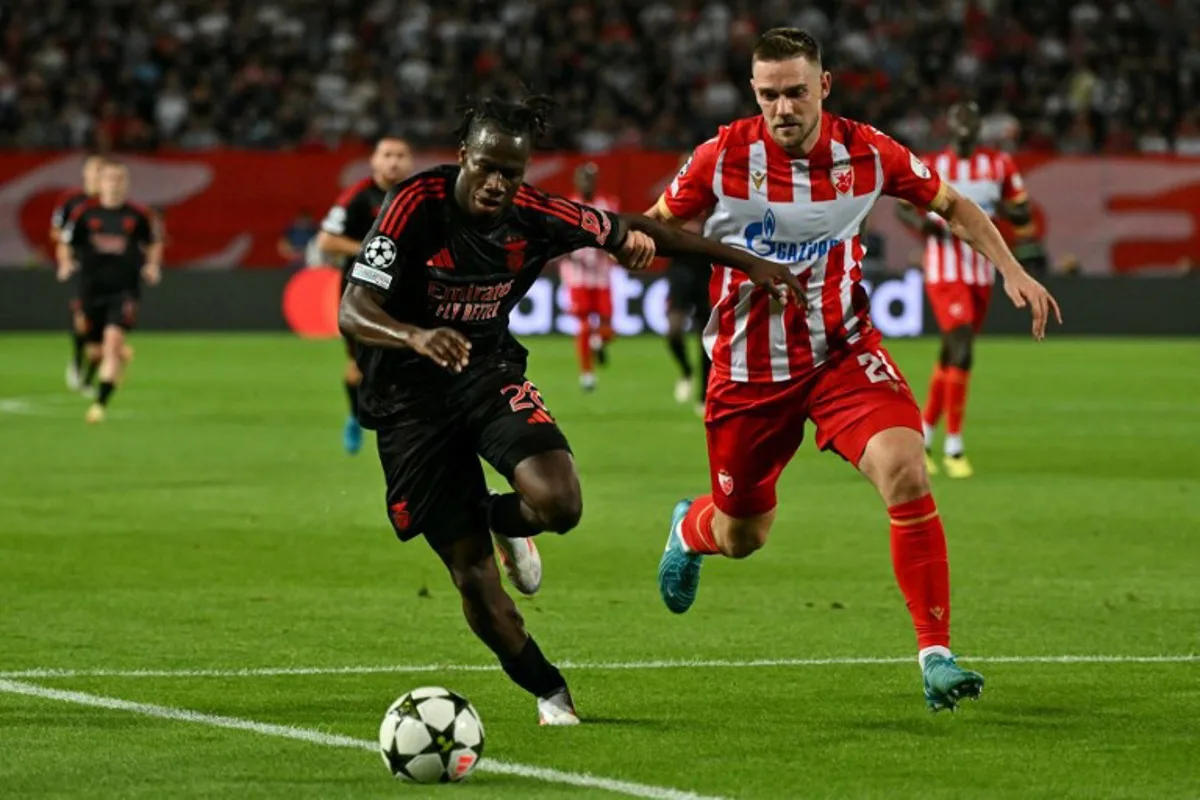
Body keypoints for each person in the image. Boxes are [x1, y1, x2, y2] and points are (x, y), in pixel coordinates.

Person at [338, 94, 800, 725]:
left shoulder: (534, 214)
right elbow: (353, 308)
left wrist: (747, 263)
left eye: (513, 172)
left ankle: (500, 520)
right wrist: (414, 336)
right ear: (462, 157)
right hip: (406, 401)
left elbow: (643, 228)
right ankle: (549, 689)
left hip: (486, 373)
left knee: (561, 503)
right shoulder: (416, 204)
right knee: (472, 576)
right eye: (487, 167)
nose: (499, 184)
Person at [645, 29, 1061, 712]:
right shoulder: (721, 157)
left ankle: (936, 655)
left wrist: (1010, 269)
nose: (784, 107)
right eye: (770, 93)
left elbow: (952, 205)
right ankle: (692, 526)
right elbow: (657, 223)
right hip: (748, 374)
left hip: (842, 351)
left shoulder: (866, 151)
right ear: (755, 92)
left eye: (796, 92)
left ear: (824, 86)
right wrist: (631, 242)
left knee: (906, 467)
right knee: (743, 535)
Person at [895, 102, 1046, 478]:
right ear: (950, 126)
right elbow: (901, 206)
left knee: (951, 354)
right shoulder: (932, 163)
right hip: (944, 270)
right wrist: (923, 225)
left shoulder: (999, 166)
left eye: (971, 120)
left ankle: (924, 438)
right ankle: (955, 448)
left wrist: (1005, 213)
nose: (965, 126)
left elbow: (1021, 211)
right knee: (962, 346)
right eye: (959, 119)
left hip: (982, 270)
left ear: (979, 127)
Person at [316, 136, 414, 454]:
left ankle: (409, 425)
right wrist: (372, 253)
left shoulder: (417, 198)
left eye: (400, 155)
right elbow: (327, 241)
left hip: (405, 293)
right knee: (359, 366)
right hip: (359, 296)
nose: (394, 162)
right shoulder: (358, 197)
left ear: (410, 162)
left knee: (411, 359)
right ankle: (354, 417)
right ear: (373, 161)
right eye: (387, 155)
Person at [56, 161, 162, 424]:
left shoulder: (138, 215)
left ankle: (100, 405)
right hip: (91, 289)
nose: (114, 185)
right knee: (95, 349)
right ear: (99, 184)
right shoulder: (83, 213)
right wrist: (65, 262)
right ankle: (89, 364)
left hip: (124, 290)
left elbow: (154, 242)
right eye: (109, 179)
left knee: (113, 343)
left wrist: (152, 265)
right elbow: (65, 242)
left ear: (126, 184)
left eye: (119, 180)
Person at [554, 163, 619, 391]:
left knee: (608, 325)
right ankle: (587, 374)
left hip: (602, 275)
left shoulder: (608, 205)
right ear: (576, 181)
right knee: (582, 324)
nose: (587, 183)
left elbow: (618, 237)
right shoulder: (568, 207)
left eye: (590, 179)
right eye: (583, 178)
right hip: (576, 277)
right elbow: (558, 241)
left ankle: (598, 342)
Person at [50, 154, 107, 391]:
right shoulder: (71, 200)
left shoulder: (111, 203)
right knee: (83, 321)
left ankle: (88, 376)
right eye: (93, 171)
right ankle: (76, 361)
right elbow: (56, 231)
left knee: (104, 328)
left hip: (108, 271)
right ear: (85, 174)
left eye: (101, 171)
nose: (97, 176)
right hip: (83, 268)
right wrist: (67, 254)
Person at [663, 152, 713, 413]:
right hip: (680, 269)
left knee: (706, 335)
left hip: (706, 269)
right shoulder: (673, 195)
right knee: (673, 331)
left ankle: (704, 394)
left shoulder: (713, 194)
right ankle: (685, 370)